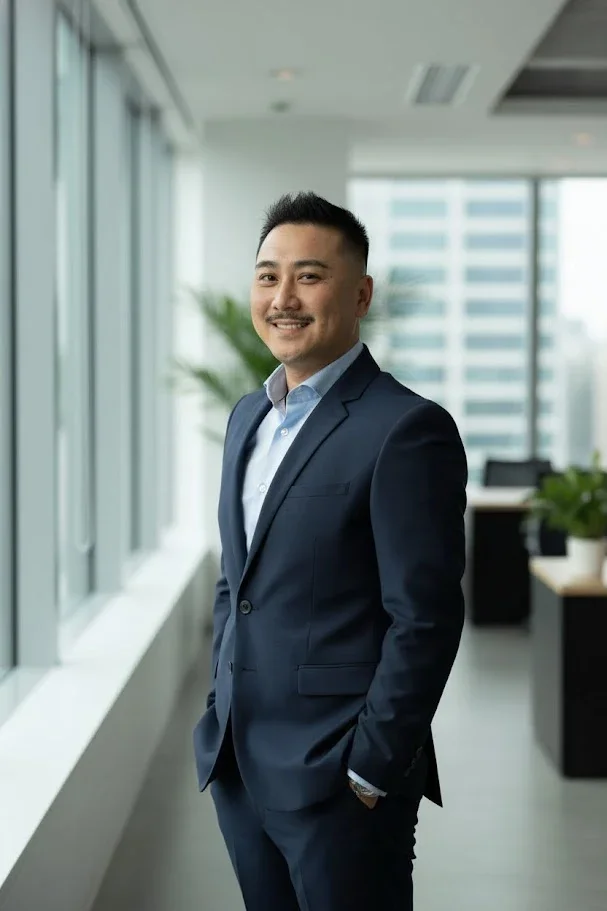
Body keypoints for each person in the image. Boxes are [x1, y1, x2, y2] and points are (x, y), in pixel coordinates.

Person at [193, 191, 467, 911]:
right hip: (239, 764)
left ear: (360, 295)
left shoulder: (406, 428)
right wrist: (219, 704)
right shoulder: (247, 416)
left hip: (341, 781)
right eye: (267, 276)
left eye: (309, 276)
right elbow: (237, 580)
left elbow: (425, 617)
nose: (282, 297)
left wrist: (371, 767)